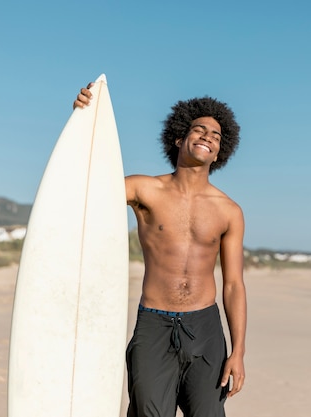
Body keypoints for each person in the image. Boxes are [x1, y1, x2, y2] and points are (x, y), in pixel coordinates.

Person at [74, 84, 247, 417]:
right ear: (179, 138)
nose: (209, 136)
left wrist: (237, 351)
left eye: (216, 136)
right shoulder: (143, 189)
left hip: (206, 328)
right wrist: (82, 121)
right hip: (153, 324)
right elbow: (87, 183)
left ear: (219, 153)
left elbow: (234, 285)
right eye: (200, 129)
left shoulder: (229, 211)